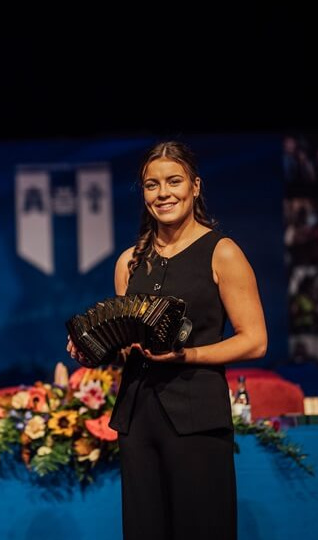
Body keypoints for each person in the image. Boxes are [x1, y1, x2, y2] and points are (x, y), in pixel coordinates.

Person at [67, 141, 267, 540]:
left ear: (195, 186)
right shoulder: (129, 261)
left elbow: (255, 341)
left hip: (197, 417)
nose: (163, 194)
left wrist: (187, 354)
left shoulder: (222, 252)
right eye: (151, 185)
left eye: (174, 181)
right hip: (138, 418)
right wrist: (94, 349)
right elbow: (128, 345)